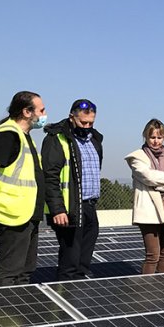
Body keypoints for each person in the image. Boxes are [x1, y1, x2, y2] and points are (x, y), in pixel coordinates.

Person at [0, 91, 47, 286]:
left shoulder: (25, 137)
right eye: (41, 110)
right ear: (26, 112)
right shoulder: (7, 134)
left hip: (27, 213)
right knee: (10, 270)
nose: (44, 114)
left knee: (25, 270)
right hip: (13, 214)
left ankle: (16, 311)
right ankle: (0, 313)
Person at [42, 99, 104, 281]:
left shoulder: (95, 140)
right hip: (69, 208)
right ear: (71, 118)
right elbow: (50, 176)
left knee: (84, 262)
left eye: (91, 123)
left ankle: (78, 297)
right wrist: (57, 209)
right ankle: (65, 299)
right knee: (70, 260)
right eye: (83, 122)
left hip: (90, 206)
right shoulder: (57, 139)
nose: (87, 126)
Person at [125, 119, 164, 274]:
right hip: (148, 212)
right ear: (145, 136)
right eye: (152, 137)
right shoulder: (137, 157)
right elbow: (148, 177)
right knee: (153, 255)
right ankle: (147, 291)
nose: (156, 141)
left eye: (159, 137)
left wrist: (160, 182)